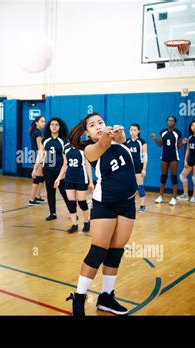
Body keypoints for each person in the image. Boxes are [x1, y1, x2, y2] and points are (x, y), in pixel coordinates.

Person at [65, 113, 137, 316]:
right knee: (98, 251)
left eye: (100, 122)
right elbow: (102, 145)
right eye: (92, 125)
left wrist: (119, 133)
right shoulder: (90, 149)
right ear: (87, 132)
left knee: (116, 252)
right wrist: (106, 135)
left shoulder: (116, 141)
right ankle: (78, 298)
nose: (98, 126)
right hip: (105, 205)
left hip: (127, 205)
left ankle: (106, 298)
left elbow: (120, 140)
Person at [54, 128, 94, 233]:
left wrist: (91, 181)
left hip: (81, 178)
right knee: (71, 203)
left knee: (82, 202)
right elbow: (65, 164)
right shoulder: (66, 148)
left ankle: (86, 222)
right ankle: (74, 225)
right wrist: (58, 178)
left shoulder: (83, 147)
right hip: (69, 178)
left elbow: (87, 164)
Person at [150, 116, 186, 206]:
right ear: (167, 122)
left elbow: (178, 146)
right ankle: (160, 196)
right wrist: (154, 138)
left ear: (175, 122)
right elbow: (160, 144)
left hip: (174, 157)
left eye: (172, 121)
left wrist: (183, 143)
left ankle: (174, 198)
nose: (170, 122)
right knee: (163, 177)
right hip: (164, 157)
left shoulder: (177, 133)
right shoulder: (163, 132)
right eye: (169, 120)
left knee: (173, 177)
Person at [41, 117, 71, 221]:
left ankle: (72, 212)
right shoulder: (45, 140)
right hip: (48, 169)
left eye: (56, 124)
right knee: (50, 191)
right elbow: (41, 154)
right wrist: (36, 167)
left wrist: (63, 173)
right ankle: (52, 213)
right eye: (52, 124)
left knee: (64, 192)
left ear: (60, 127)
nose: (54, 126)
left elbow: (66, 159)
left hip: (60, 170)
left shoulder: (64, 140)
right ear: (49, 127)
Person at [177, 120, 195, 203]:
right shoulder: (189, 137)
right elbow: (188, 150)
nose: (194, 127)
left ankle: (194, 196)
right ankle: (186, 195)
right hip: (191, 159)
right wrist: (185, 161)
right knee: (182, 176)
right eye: (192, 125)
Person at [126, 123, 148, 212]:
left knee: (140, 186)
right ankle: (130, 204)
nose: (132, 132)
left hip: (138, 166)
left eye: (134, 130)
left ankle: (142, 205)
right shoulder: (126, 141)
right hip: (128, 166)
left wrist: (144, 168)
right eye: (131, 130)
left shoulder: (142, 142)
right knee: (128, 186)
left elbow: (145, 156)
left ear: (138, 131)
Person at [29, 116, 46, 205]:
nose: (44, 123)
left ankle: (38, 196)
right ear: (36, 123)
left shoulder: (37, 131)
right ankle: (32, 200)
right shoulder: (38, 133)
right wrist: (42, 158)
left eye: (44, 121)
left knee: (41, 178)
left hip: (36, 155)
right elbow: (40, 148)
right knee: (37, 178)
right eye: (42, 121)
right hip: (37, 156)